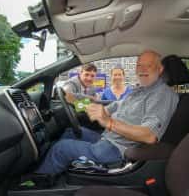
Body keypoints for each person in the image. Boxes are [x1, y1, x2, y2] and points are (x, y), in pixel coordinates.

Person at [36, 50, 179, 174]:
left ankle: (38, 184)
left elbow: (149, 136)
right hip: (107, 139)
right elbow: (106, 108)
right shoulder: (138, 92)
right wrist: (76, 102)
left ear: (160, 70)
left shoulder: (162, 94)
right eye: (139, 65)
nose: (141, 70)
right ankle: (52, 169)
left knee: (61, 149)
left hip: (117, 149)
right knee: (70, 132)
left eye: (148, 66)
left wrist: (110, 123)